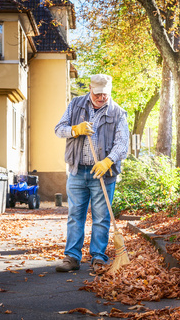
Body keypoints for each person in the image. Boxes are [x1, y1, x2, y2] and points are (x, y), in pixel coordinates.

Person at [54, 74, 129, 273]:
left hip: (102, 174)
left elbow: (122, 145)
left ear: (109, 91)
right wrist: (75, 130)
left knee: (101, 217)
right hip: (78, 171)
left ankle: (98, 258)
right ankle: (72, 257)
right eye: (97, 94)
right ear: (90, 89)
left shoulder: (118, 113)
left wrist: (108, 161)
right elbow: (58, 130)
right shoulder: (76, 105)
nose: (101, 98)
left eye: (105, 94)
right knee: (75, 215)